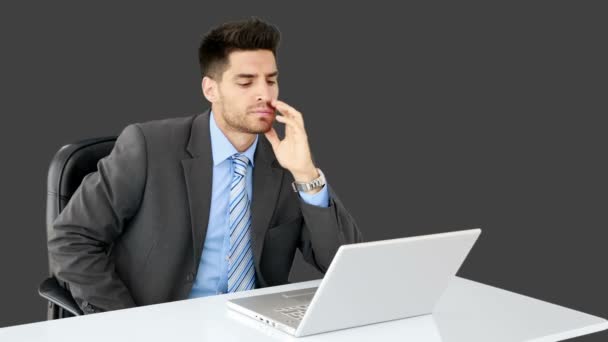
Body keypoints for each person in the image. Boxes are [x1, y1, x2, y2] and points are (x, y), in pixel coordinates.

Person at [48, 17, 363, 314]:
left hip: (255, 325)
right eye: (246, 82)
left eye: (271, 80)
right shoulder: (148, 146)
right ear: (210, 89)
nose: (264, 94)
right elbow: (72, 237)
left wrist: (306, 173)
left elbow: (346, 265)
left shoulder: (284, 160)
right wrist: (126, 323)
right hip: (163, 323)